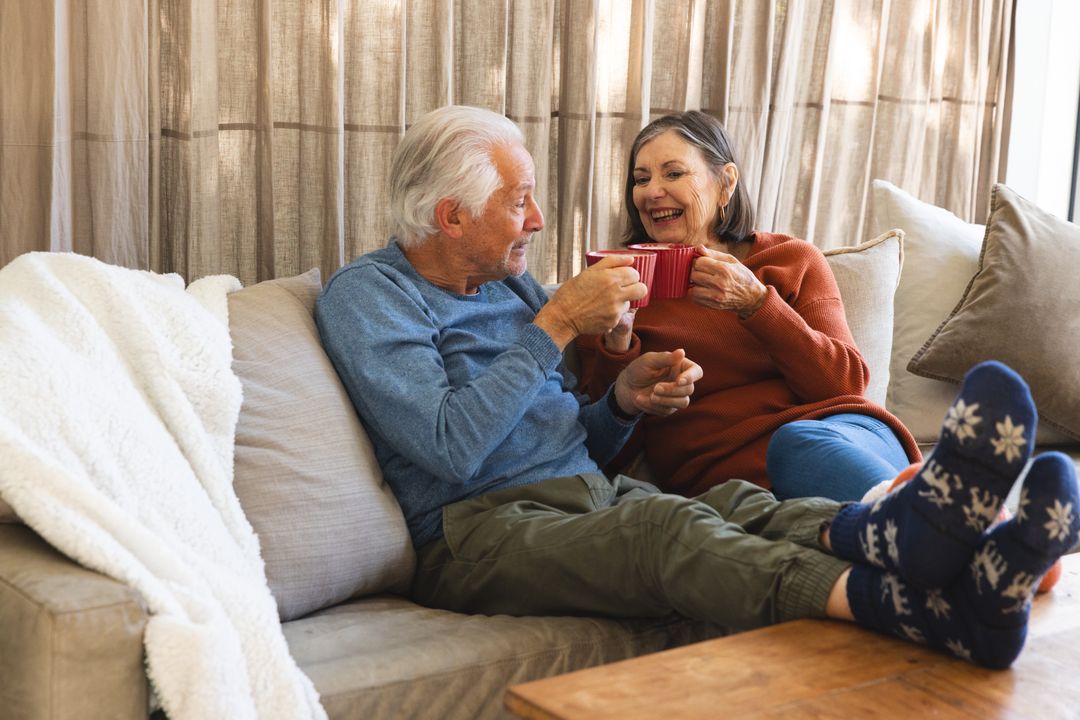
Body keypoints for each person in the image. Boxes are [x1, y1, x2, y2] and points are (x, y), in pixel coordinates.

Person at [314, 104, 1079, 670]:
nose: (539, 219)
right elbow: (451, 447)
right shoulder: (371, 296)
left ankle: (951, 556)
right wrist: (554, 326)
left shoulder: (508, 288)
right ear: (451, 216)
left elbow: (574, 436)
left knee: (736, 508)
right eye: (520, 202)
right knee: (671, 532)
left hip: (587, 494)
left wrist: (622, 403)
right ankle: (926, 603)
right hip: (476, 531)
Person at [576, 110, 919, 502]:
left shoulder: (791, 259)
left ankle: (922, 518)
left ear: (725, 183)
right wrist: (617, 343)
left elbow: (846, 385)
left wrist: (757, 304)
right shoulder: (612, 286)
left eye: (673, 174)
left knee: (796, 442)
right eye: (641, 179)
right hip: (739, 487)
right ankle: (945, 525)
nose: (652, 191)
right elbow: (602, 454)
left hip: (845, 436)